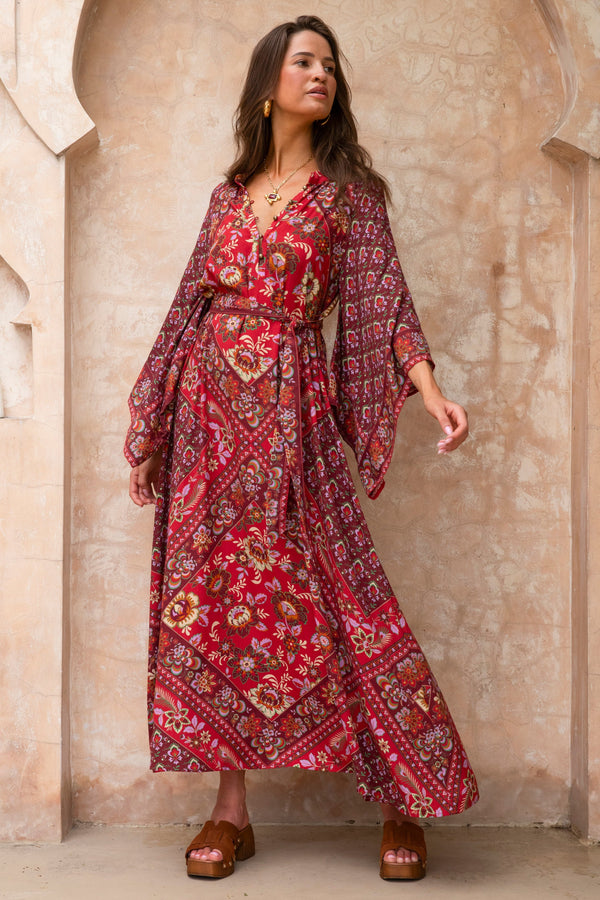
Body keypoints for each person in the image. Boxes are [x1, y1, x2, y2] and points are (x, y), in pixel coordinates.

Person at [125, 14, 478, 882]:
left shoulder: (349, 196)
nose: (322, 75)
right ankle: (230, 813)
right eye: (304, 62)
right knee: (213, 602)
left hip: (292, 418)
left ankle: (403, 799)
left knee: (343, 594)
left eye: (330, 66)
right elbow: (187, 308)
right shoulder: (227, 196)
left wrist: (431, 391)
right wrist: (154, 424)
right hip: (208, 427)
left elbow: (385, 303)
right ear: (267, 85)